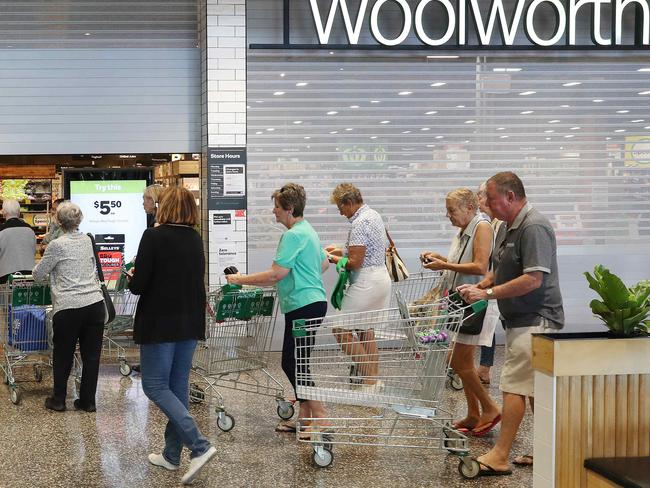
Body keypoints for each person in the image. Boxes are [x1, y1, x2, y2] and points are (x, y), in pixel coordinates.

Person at [458, 171, 565, 476]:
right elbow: (501, 269)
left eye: (490, 199)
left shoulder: (534, 226)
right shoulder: (507, 226)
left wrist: (488, 292)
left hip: (537, 319)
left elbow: (533, 279)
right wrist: (480, 287)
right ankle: (548, 449)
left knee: (513, 387)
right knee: (533, 390)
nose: (486, 205)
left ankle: (501, 455)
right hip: (519, 318)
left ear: (510, 196)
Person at [225, 183, 330, 434]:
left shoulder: (293, 235)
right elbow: (323, 264)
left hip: (303, 307)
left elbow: (276, 274)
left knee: (292, 363)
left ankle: (322, 416)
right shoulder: (308, 231)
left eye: (277, 207)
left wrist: (240, 279)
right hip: (310, 304)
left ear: (289, 209)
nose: (273, 212)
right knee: (299, 361)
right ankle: (305, 421)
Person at [127, 187, 216, 485]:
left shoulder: (153, 236)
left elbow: (139, 285)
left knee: (154, 385)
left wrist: (133, 276)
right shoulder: (194, 238)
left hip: (159, 322)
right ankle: (171, 454)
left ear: (163, 208)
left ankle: (199, 445)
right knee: (177, 388)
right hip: (189, 322)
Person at [420, 188, 501, 437]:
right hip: (460, 304)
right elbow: (463, 263)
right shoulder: (465, 231)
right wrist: (440, 258)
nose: (448, 215)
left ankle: (489, 408)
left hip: (475, 304)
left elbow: (479, 266)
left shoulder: (482, 227)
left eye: (452, 210)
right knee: (460, 361)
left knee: (458, 360)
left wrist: (444, 264)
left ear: (469, 207)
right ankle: (474, 413)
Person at [32, 201, 105, 412]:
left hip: (68, 307)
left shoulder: (57, 245)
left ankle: (59, 399)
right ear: (79, 220)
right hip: (94, 304)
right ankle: (88, 401)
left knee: (63, 354)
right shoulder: (88, 241)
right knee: (91, 356)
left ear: (58, 221)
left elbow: (38, 275)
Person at [325, 183, 391, 387]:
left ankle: (371, 379)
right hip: (380, 277)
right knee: (365, 330)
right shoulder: (373, 215)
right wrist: (340, 252)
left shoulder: (360, 223)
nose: (340, 212)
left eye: (341, 207)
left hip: (366, 281)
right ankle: (373, 383)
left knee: (340, 329)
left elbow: (355, 262)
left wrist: (331, 258)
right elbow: (364, 252)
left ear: (350, 202)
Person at [131, 184, 164, 375]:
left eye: (145, 199)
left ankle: (152, 365)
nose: (143, 203)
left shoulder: (156, 229)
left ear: (154, 201)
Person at [475, 183, 503, 386]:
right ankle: (485, 368)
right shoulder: (489, 223)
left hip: (502, 284)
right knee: (488, 324)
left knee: (491, 323)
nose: (478, 201)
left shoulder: (500, 225)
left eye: (481, 196)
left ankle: (485, 368)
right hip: (491, 281)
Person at [0, 199, 37, 284]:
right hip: (29, 275)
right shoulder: (29, 229)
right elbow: (33, 251)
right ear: (19, 212)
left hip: (7, 277)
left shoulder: (1, 230)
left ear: (4, 212)